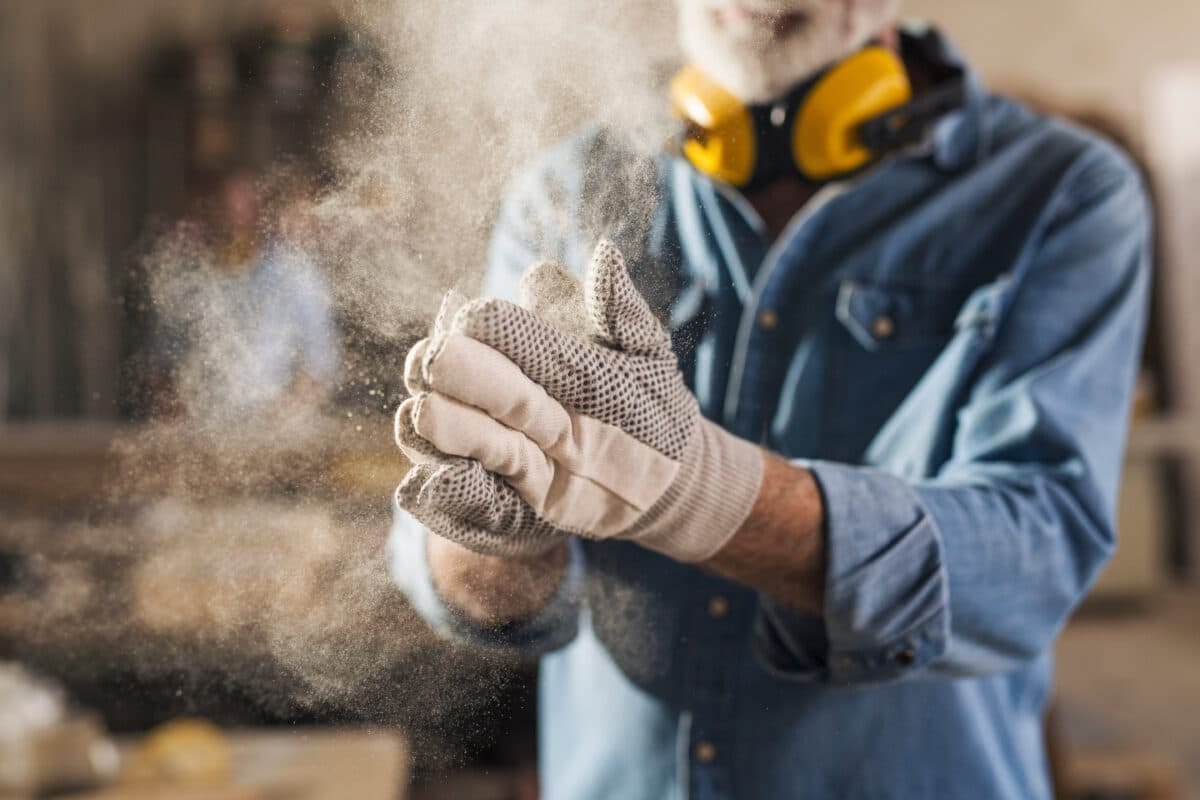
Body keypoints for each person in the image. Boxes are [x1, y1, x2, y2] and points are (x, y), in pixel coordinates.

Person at [389, 2, 1151, 798]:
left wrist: (698, 492)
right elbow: (455, 570)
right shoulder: (568, 189)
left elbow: (1033, 562)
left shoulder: (1062, 195)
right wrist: (494, 542)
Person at [149, 168, 339, 425]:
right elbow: (165, 368)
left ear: (259, 213)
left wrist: (279, 419)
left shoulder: (294, 274)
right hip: (201, 434)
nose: (232, 223)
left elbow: (320, 365)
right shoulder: (187, 278)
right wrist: (175, 422)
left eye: (241, 212)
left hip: (276, 434)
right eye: (223, 212)